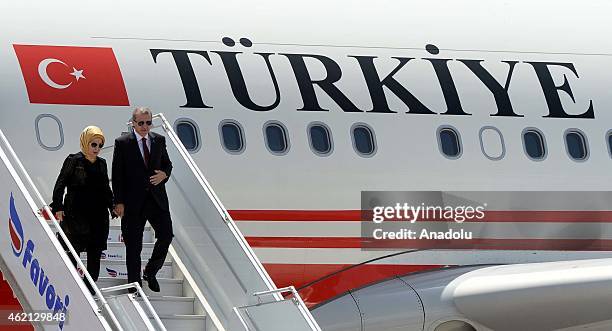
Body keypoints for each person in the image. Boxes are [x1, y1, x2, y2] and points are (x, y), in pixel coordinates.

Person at [112, 107, 173, 292]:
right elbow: (117, 174)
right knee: (133, 245)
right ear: (133, 123)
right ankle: (134, 285)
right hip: (133, 202)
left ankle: (151, 271)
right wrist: (118, 201)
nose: (145, 126)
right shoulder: (123, 143)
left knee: (166, 235)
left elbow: (167, 164)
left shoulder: (158, 140)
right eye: (141, 123)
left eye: (148, 122)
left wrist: (164, 174)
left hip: (156, 200)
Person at [51, 126, 115, 295]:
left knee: (95, 251)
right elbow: (61, 183)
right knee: (73, 250)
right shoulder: (74, 160)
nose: (97, 149)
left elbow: (105, 188)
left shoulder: (102, 163)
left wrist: (112, 207)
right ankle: (71, 286)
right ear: (86, 142)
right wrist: (57, 206)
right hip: (75, 214)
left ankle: (89, 287)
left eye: (100, 145)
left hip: (98, 215)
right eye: (94, 144)